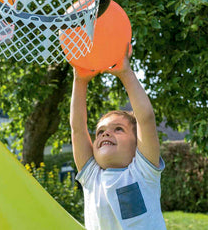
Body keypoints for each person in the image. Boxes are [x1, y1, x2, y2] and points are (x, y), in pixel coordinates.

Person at [70, 46, 167, 230]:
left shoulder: (142, 172)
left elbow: (145, 119)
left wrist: (125, 72)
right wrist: (79, 80)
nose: (106, 133)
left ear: (137, 143)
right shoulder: (92, 177)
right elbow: (77, 129)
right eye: (100, 132)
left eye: (118, 129)